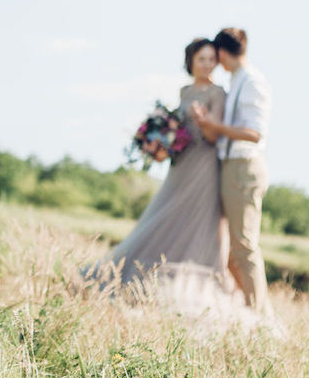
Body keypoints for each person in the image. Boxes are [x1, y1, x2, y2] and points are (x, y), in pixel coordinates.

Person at [88, 38, 234, 308]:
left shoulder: (218, 93)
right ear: (190, 62)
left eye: (211, 59)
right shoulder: (184, 91)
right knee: (163, 214)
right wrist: (159, 143)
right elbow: (176, 130)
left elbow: (214, 136)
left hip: (204, 163)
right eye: (201, 59)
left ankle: (190, 282)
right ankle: (139, 276)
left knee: (198, 221)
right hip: (180, 162)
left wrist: (203, 121)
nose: (207, 64)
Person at [192, 27, 273, 316]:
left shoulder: (252, 82)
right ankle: (250, 309)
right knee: (230, 250)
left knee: (245, 247)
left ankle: (260, 317)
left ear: (224, 53)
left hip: (244, 168)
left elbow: (254, 133)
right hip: (230, 168)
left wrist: (214, 128)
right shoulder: (237, 80)